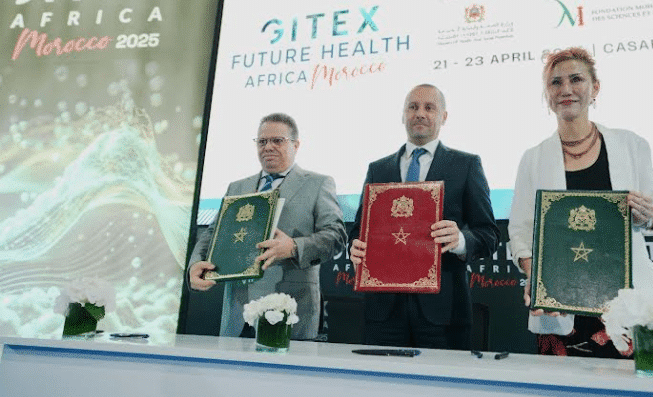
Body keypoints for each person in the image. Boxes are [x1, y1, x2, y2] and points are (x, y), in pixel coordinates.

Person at [508, 47, 653, 358]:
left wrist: (648, 214)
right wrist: (537, 278)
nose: (565, 89)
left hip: (628, 305)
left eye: (576, 79)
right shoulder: (533, 158)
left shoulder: (631, 145)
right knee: (563, 390)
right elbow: (521, 232)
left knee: (640, 387)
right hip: (561, 308)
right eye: (555, 83)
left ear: (595, 88)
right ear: (547, 95)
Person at [349, 84, 500, 350]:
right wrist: (355, 247)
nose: (420, 113)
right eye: (413, 107)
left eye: (429, 107)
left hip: (443, 312)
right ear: (403, 115)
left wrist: (460, 240)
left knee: (442, 379)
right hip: (383, 311)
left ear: (443, 116)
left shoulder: (466, 165)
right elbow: (359, 230)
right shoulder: (378, 169)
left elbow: (488, 234)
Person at [188, 113, 347, 340]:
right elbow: (213, 233)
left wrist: (294, 247)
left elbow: (336, 235)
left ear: (296, 145)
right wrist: (196, 263)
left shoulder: (318, 183)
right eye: (262, 141)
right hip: (237, 312)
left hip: (290, 312)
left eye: (277, 140)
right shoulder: (237, 187)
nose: (268, 147)